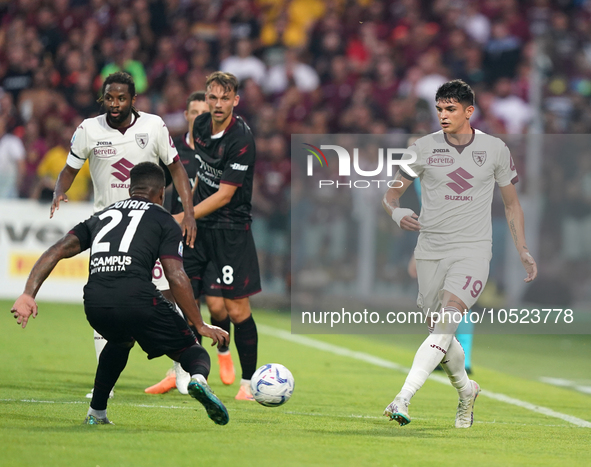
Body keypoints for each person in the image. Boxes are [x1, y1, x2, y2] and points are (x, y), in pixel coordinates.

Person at [11, 162, 230, 426]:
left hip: (94, 302)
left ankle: (96, 413)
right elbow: (175, 275)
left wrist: (27, 293)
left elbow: (57, 250)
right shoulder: (164, 220)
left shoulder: (102, 215)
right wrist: (199, 324)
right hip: (137, 297)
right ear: (161, 193)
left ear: (129, 188)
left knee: (119, 341)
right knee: (193, 352)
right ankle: (197, 380)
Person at [381, 79, 537, 428]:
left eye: (450, 109)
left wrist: (523, 249)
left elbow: (512, 206)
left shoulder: (494, 149)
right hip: (431, 250)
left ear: (469, 111)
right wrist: (396, 212)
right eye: (439, 109)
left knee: (449, 319)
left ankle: (402, 398)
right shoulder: (422, 148)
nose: (443, 115)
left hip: (473, 250)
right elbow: (391, 195)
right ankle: (467, 392)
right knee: (439, 331)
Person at [50, 72, 197, 397]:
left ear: (133, 99)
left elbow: (177, 169)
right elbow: (70, 169)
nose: (115, 104)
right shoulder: (88, 129)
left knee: (169, 291)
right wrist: (60, 191)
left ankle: (182, 370)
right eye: (109, 98)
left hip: (149, 224)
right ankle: (107, 383)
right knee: (105, 296)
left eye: (121, 98)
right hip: (109, 228)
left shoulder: (154, 126)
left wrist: (188, 212)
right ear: (103, 99)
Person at [174, 72, 261, 401]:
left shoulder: (241, 139)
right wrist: (189, 212)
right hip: (199, 227)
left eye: (226, 98)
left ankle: (249, 384)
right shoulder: (199, 128)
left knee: (237, 311)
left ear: (236, 101)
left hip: (231, 230)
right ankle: (189, 373)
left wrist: (184, 215)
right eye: (213, 98)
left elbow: (225, 195)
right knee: (186, 298)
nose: (219, 104)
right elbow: (200, 176)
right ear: (206, 99)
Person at [145, 91, 235, 395]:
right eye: (193, 111)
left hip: (214, 235)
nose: (198, 116)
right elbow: (158, 185)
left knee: (217, 304)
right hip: (182, 237)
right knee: (182, 301)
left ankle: (223, 351)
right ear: (186, 115)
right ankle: (179, 370)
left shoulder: (218, 148)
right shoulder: (173, 150)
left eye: (203, 111)